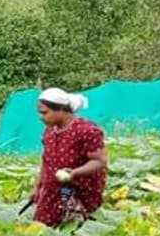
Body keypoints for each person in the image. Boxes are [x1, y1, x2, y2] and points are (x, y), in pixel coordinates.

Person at [32, 88, 108, 226]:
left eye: (44, 112)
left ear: (61, 109)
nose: (40, 117)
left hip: (81, 190)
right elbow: (46, 160)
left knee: (77, 227)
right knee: (44, 226)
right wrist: (38, 186)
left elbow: (99, 161)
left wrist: (75, 173)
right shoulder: (49, 131)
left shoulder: (87, 131)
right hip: (53, 189)